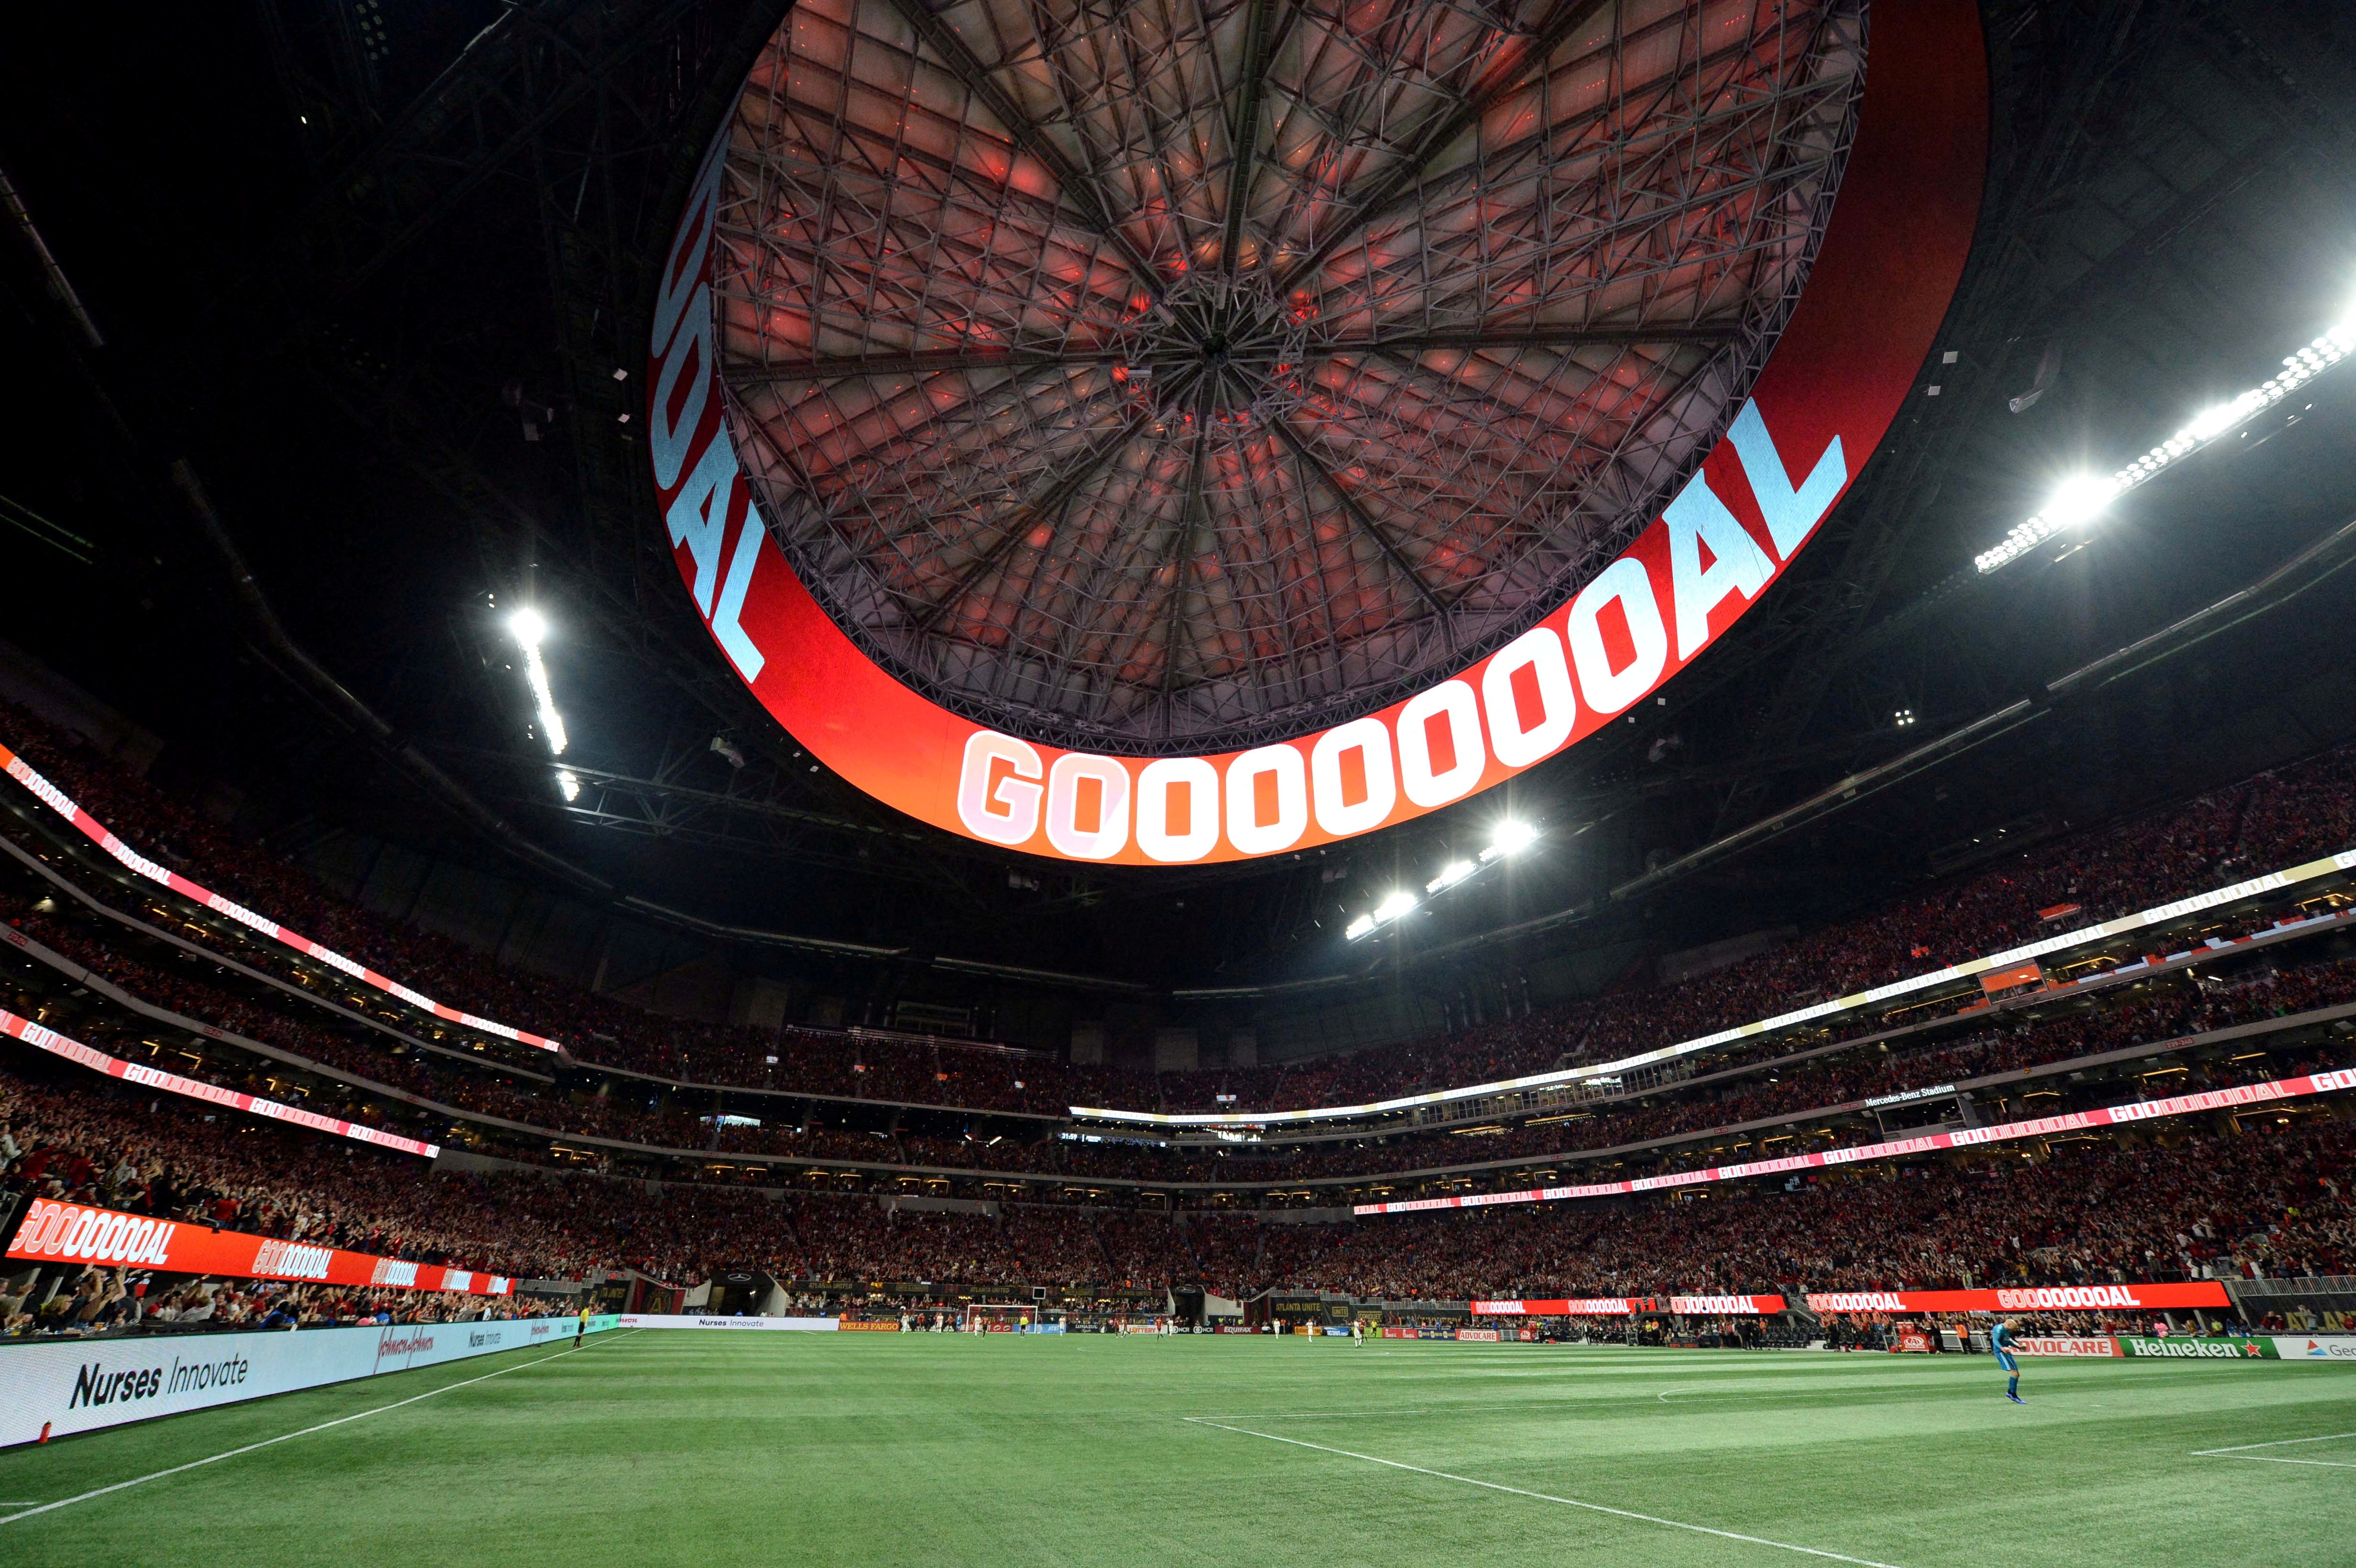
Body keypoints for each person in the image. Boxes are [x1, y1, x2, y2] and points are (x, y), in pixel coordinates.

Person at [1991, 1316, 2025, 1404]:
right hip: (2001, 1353)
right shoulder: (1998, 1329)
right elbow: (1995, 1340)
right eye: (2012, 1329)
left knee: (2016, 1374)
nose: (2012, 1331)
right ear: (2009, 1324)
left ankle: (2011, 1393)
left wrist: (2018, 1347)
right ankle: (2013, 1394)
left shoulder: (2007, 1331)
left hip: (2006, 1352)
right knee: (2014, 1373)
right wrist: (2002, 1348)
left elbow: (2008, 1340)